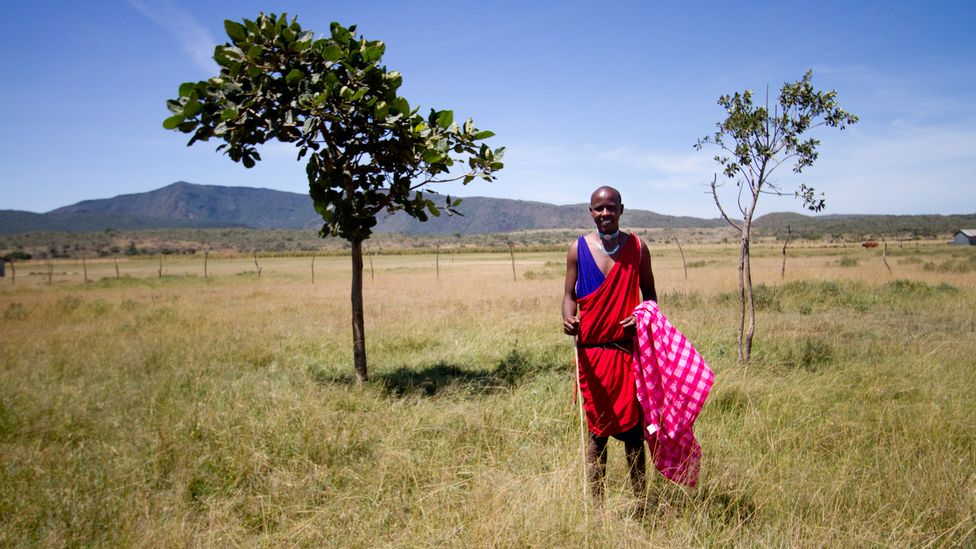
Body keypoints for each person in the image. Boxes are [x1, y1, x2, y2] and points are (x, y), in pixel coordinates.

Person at [562, 185, 656, 505]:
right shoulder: (577, 249)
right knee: (597, 435)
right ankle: (598, 507)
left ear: (621, 209)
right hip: (590, 356)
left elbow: (651, 298)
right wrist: (568, 318)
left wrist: (641, 317)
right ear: (590, 211)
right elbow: (568, 296)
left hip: (627, 354)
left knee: (632, 433)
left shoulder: (638, 248)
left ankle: (641, 502)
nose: (605, 213)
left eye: (610, 207)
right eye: (599, 208)